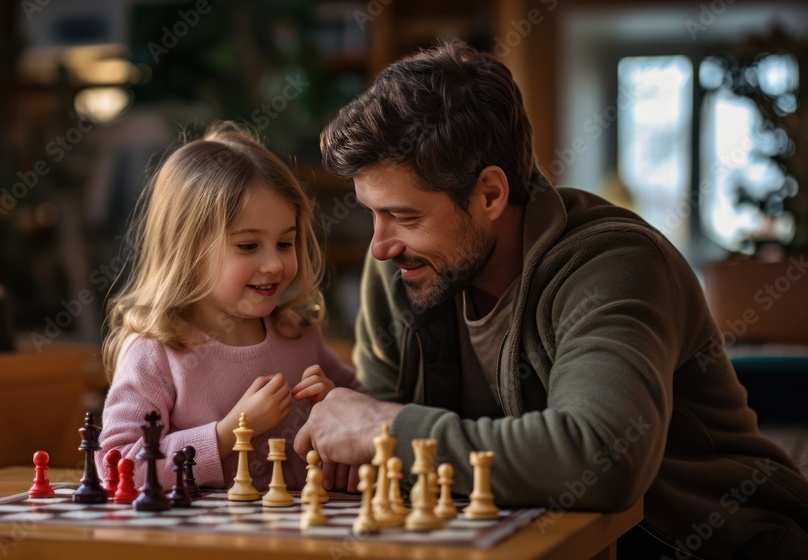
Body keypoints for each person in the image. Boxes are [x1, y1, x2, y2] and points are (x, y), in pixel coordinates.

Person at [294, 39, 808, 558]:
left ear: (490, 194)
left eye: (405, 216)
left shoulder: (617, 264)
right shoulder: (405, 269)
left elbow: (604, 456)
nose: (379, 246)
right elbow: (385, 459)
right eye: (371, 213)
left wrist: (384, 428)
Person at [100, 123, 365, 491]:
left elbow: (367, 410)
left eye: (285, 244)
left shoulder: (296, 331)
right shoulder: (157, 351)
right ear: (189, 252)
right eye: (248, 246)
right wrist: (229, 432)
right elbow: (115, 468)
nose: (274, 264)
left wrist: (335, 398)